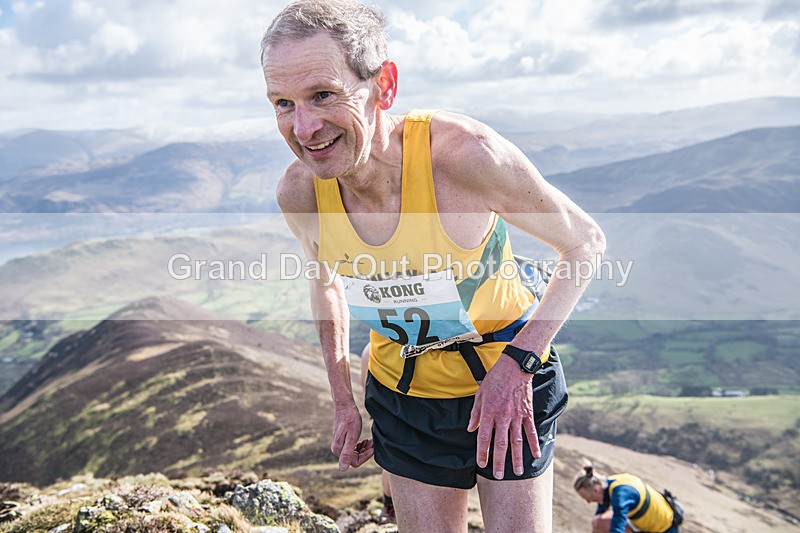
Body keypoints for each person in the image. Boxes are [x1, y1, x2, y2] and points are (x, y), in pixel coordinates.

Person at [261, 1, 605, 531]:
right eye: (283, 103)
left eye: (323, 95)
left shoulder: (465, 157)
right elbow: (325, 282)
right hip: (404, 396)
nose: (304, 129)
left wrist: (519, 365)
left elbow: (585, 243)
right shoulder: (300, 192)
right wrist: (342, 401)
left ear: (384, 86)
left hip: (506, 381)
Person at [573, 463, 680, 533]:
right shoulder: (609, 484)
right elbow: (601, 510)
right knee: (597, 522)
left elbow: (617, 527)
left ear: (596, 489)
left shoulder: (621, 494)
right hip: (646, 526)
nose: (589, 502)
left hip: (664, 530)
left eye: (589, 498)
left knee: (599, 523)